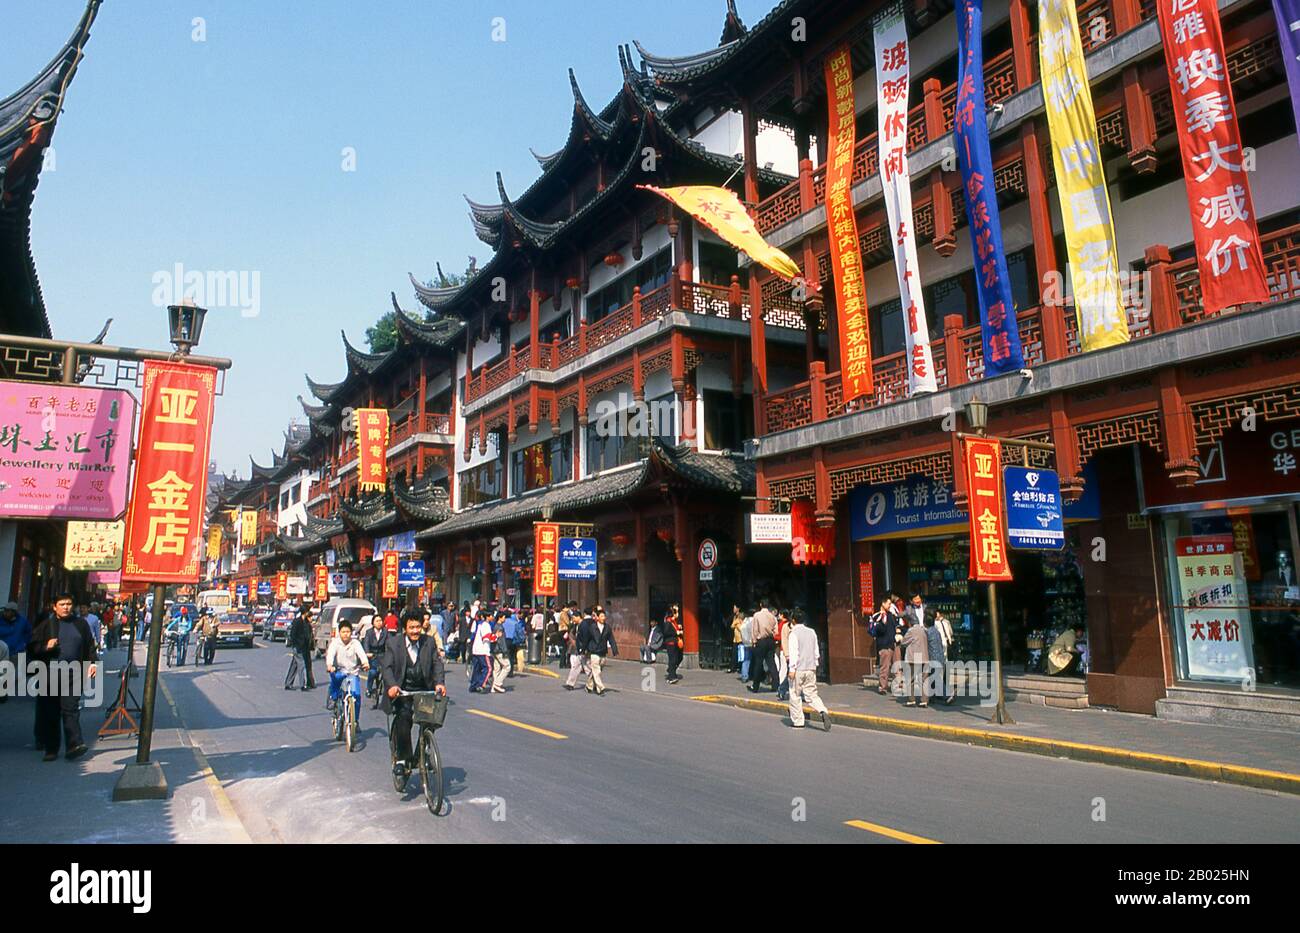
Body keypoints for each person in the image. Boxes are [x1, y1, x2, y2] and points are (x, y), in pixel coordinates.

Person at [28, 593, 97, 761]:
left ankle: (74, 744)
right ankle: (51, 749)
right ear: (54, 606)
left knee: (70, 708)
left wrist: (93, 663)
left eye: (68, 603)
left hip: (75, 673)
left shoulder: (80, 624)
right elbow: (32, 648)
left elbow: (89, 645)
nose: (66, 607)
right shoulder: (46, 625)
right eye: (62, 604)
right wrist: (46, 646)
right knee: (51, 711)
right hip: (50, 674)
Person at [381, 613, 447, 776]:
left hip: (423, 691)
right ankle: (403, 759)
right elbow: (387, 667)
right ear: (405, 628)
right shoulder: (393, 643)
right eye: (411, 628)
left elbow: (436, 663)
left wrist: (439, 682)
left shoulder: (429, 642)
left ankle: (421, 755)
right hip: (402, 692)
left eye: (418, 627)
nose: (415, 631)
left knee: (432, 719)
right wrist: (392, 685)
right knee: (404, 718)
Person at [786, 610, 830, 730]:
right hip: (811, 668)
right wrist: (815, 665)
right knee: (811, 694)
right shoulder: (812, 632)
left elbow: (794, 653)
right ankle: (822, 710)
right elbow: (816, 652)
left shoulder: (793, 634)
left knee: (795, 695)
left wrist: (792, 669)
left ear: (793, 620)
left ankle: (798, 721)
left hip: (798, 669)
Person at [326, 619, 370, 725]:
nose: (346, 634)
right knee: (335, 682)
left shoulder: (355, 643)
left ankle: (355, 720)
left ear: (351, 632)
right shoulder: (335, 643)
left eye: (348, 632)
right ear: (339, 632)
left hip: (352, 672)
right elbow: (330, 655)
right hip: (339, 670)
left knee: (357, 696)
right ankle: (333, 699)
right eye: (343, 632)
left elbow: (362, 654)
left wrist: (365, 663)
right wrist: (330, 665)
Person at [576, 606, 617, 695]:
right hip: (594, 652)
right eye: (601, 616)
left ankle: (588, 686)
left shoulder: (607, 628)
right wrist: (583, 650)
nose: (603, 618)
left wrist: (614, 649)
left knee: (596, 671)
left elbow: (611, 639)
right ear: (597, 617)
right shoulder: (592, 627)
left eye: (604, 616)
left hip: (603, 651)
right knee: (596, 670)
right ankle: (600, 688)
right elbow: (586, 639)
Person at [869, 599, 902, 695]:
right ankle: (882, 687)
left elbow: (897, 626)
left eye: (891, 604)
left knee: (897, 666)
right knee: (885, 667)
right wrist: (881, 621)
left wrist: (898, 632)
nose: (890, 605)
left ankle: (899, 686)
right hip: (884, 645)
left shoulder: (891, 615)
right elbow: (876, 631)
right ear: (883, 603)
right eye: (888, 604)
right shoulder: (876, 616)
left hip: (894, 643)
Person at [747, 601, 779, 693]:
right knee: (771, 663)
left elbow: (755, 629)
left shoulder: (757, 615)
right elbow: (775, 631)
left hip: (761, 640)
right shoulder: (772, 616)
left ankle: (755, 686)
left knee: (758, 663)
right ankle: (775, 684)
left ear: (760, 604)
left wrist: (754, 640)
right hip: (770, 640)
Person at [899, 613, 930, 707]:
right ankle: (924, 700)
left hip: (914, 658)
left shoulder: (911, 631)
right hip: (924, 657)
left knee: (910, 679)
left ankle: (911, 700)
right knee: (924, 680)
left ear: (910, 623)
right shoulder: (924, 630)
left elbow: (904, 642)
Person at [362, 614, 390, 706]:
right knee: (373, 672)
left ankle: (383, 691)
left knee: (386, 674)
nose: (379, 623)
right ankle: (369, 689)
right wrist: (367, 653)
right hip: (372, 655)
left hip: (382, 655)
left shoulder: (385, 632)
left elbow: (389, 643)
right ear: (373, 623)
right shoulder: (369, 632)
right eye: (377, 621)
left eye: (380, 621)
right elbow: (366, 643)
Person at [288, 607, 315, 690]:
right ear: (305, 612)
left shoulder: (305, 622)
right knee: (301, 665)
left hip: (303, 647)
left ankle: (288, 683)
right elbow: (293, 634)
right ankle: (302, 685)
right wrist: (295, 644)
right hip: (298, 647)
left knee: (294, 665)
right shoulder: (297, 621)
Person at [563, 608, 590, 689]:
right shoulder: (577, 625)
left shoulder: (584, 625)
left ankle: (595, 682)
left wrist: (583, 648)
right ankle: (570, 684)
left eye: (574, 618)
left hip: (583, 649)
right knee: (576, 666)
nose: (573, 620)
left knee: (587, 667)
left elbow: (585, 638)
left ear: (578, 617)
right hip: (579, 649)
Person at [468, 610, 494, 693]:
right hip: (483, 650)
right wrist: (496, 636)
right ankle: (481, 685)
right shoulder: (486, 625)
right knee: (488, 668)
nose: (492, 617)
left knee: (477, 669)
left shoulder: (479, 624)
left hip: (476, 650)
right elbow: (486, 637)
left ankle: (473, 685)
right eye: (491, 616)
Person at [933, 612, 955, 704]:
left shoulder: (944, 622)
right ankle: (941, 692)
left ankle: (943, 691)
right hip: (942, 646)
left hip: (946, 645)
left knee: (945, 668)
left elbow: (950, 632)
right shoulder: (936, 624)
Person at [660, 606, 684, 684]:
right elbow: (666, 632)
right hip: (671, 643)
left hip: (677, 642)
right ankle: (672, 677)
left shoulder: (675, 621)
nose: (678, 613)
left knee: (679, 657)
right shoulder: (668, 621)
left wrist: (680, 630)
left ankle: (671, 670)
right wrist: (676, 633)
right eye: (676, 612)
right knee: (672, 659)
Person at [490, 611, 512, 693]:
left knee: (497, 668)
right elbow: (501, 641)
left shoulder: (495, 626)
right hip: (499, 650)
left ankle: (493, 686)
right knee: (507, 666)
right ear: (500, 618)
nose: (505, 619)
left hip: (494, 650)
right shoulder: (500, 628)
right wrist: (505, 651)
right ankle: (497, 683)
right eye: (504, 617)